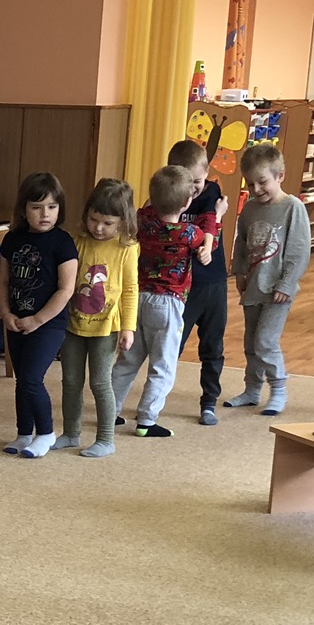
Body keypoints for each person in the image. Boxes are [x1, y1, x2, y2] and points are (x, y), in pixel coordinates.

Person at [107, 166, 204, 439]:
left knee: (127, 360)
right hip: (168, 303)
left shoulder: (143, 223)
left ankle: (109, 411)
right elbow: (209, 236)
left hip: (137, 298)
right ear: (187, 203)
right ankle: (147, 420)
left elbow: (146, 209)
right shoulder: (188, 233)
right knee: (163, 366)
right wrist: (217, 216)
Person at [0, 171, 80, 457]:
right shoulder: (12, 239)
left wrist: (38, 320)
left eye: (52, 207)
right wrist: (6, 313)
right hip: (16, 320)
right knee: (22, 379)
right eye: (37, 207)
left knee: (32, 378)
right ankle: (23, 433)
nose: (45, 214)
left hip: (48, 323)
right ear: (23, 209)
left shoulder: (63, 242)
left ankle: (45, 433)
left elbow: (66, 289)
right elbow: (3, 281)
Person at [56, 177, 139, 458]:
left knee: (100, 383)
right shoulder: (77, 241)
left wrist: (128, 327)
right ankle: (70, 433)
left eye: (107, 223)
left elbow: (130, 289)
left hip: (106, 328)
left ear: (123, 222)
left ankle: (106, 438)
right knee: (70, 381)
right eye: (93, 220)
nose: (99, 228)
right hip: (73, 324)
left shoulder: (127, 248)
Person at [225, 143, 310, 416]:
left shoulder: (292, 207)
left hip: (277, 290)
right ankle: (252, 390)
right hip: (253, 286)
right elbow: (241, 243)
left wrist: (286, 283)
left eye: (262, 182)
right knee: (251, 343)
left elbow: (299, 250)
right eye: (250, 184)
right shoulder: (249, 209)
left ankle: (278, 389)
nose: (256, 189)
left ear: (280, 176)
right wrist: (239, 272)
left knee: (265, 341)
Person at [167, 139, 230, 426]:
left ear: (206, 173)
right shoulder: (169, 196)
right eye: (186, 182)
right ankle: (158, 395)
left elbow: (208, 224)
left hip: (213, 283)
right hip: (182, 285)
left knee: (212, 346)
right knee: (173, 344)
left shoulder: (212, 194)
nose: (192, 189)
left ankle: (209, 401)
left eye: (197, 181)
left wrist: (214, 225)